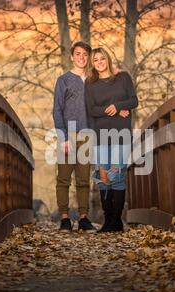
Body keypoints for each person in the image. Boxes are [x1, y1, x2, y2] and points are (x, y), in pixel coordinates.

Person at [84, 47, 138, 232]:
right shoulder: (90, 84)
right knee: (104, 177)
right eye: (96, 60)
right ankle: (109, 221)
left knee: (118, 177)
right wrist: (113, 110)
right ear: (93, 64)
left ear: (108, 59)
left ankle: (116, 222)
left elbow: (133, 101)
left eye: (102, 59)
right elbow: (91, 110)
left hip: (121, 134)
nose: (99, 62)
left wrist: (118, 105)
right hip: (100, 135)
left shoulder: (123, 78)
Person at [52, 41, 96, 233]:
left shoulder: (94, 80)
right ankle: (64, 219)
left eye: (85, 55)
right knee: (63, 179)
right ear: (72, 56)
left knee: (84, 180)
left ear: (89, 57)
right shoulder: (63, 80)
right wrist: (63, 137)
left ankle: (84, 218)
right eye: (78, 54)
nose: (81, 58)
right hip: (68, 134)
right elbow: (57, 109)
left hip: (87, 135)